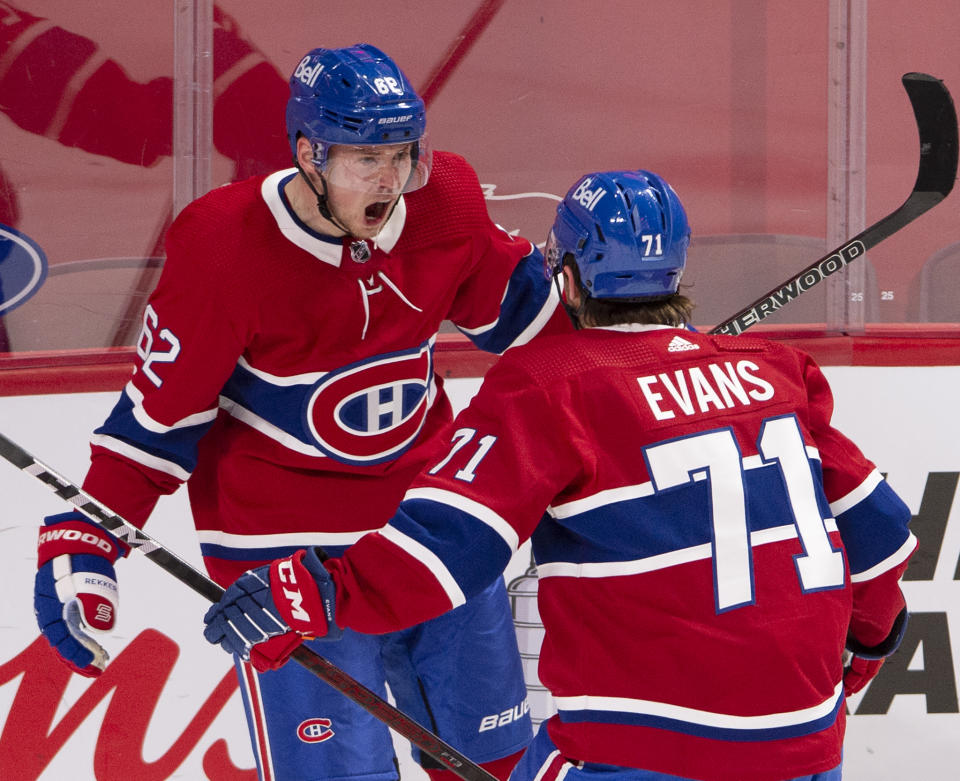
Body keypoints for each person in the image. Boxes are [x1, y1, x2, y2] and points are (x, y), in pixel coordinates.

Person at [203, 169, 917, 781]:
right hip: (808, 745)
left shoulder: (548, 385)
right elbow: (882, 536)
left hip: (645, 752)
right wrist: (868, 647)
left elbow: (446, 549)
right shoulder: (775, 371)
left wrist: (307, 590)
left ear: (566, 276)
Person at [34, 43, 572, 781]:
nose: (392, 182)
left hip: (428, 533)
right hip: (284, 559)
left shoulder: (443, 201)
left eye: (403, 156)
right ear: (309, 156)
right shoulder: (222, 246)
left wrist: (643, 344)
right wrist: (88, 537)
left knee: (496, 762)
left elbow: (531, 325)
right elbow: (157, 423)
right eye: (366, 162)